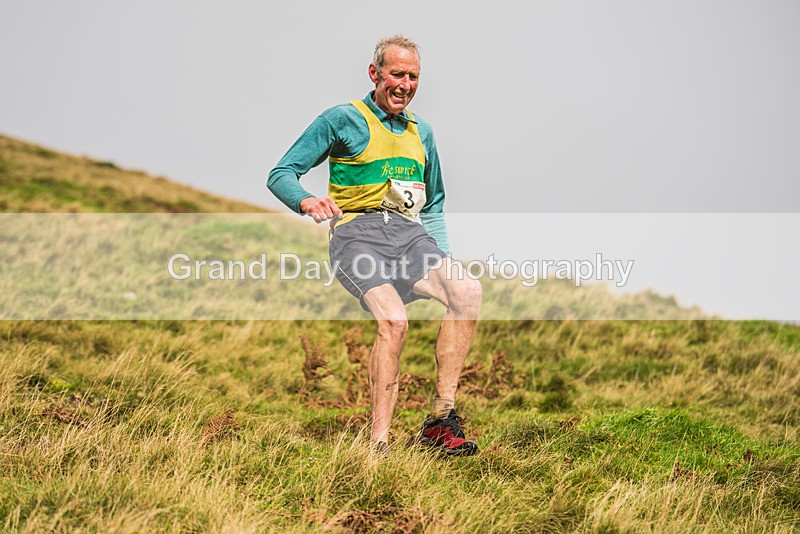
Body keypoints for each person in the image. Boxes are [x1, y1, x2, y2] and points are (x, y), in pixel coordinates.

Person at [267, 35, 481, 456]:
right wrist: (307, 201)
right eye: (397, 74)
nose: (405, 85)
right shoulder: (342, 119)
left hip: (409, 237)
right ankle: (378, 445)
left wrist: (442, 258)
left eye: (413, 76)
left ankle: (440, 421)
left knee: (467, 291)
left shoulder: (423, 132)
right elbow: (281, 173)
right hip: (356, 237)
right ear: (374, 74)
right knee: (394, 322)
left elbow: (434, 202)